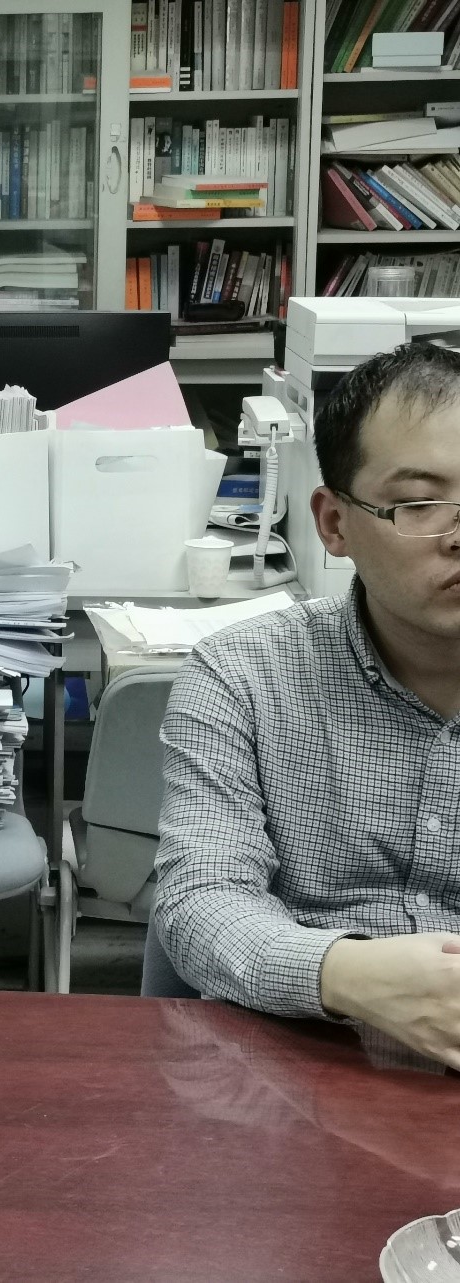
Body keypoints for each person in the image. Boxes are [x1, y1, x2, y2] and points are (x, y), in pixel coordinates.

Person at [155, 341, 460, 1068]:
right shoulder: (242, 677)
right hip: (299, 1070)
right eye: (419, 503)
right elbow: (201, 898)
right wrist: (347, 976)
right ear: (334, 523)